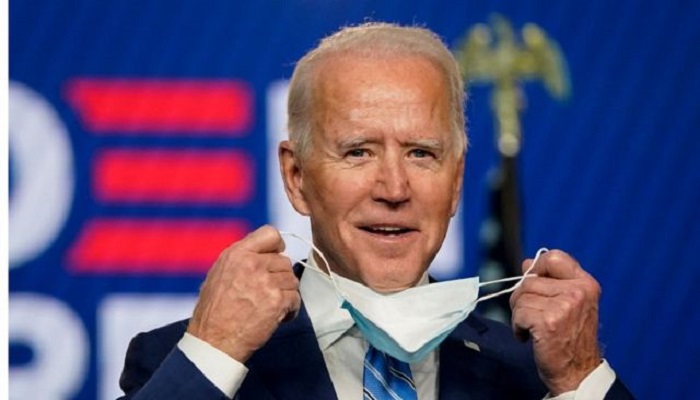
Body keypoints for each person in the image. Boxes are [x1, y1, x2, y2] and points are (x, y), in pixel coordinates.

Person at [117, 22, 634, 399]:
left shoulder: (534, 373)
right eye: (359, 152)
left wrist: (579, 379)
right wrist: (213, 354)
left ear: (455, 182)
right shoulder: (189, 362)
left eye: (421, 154)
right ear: (296, 177)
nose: (394, 188)